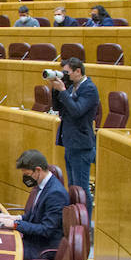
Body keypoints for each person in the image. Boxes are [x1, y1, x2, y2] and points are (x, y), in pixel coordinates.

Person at [0, 149, 68, 260]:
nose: (26, 178)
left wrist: (15, 224)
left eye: (27, 174)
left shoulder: (55, 193)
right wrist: (12, 218)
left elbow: (46, 230)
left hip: (43, 249)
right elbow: (34, 216)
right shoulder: (42, 186)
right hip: (34, 241)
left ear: (38, 170)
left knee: (3, 251)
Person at [51, 57, 99, 199]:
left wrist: (63, 91)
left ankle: (84, 220)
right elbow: (57, 107)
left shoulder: (89, 88)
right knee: (73, 188)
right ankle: (75, 217)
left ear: (78, 71)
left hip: (81, 145)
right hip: (70, 143)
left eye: (67, 73)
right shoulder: (71, 87)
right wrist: (56, 90)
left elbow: (77, 111)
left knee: (81, 190)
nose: (65, 76)